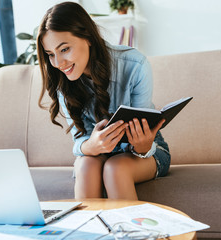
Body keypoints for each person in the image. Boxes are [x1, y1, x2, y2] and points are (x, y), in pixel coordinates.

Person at [36, 2, 170, 200]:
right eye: (50, 55)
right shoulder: (63, 81)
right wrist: (91, 146)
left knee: (115, 169)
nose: (58, 63)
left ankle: (131, 232)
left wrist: (142, 144)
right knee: (85, 165)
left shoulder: (134, 66)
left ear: (88, 38)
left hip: (146, 152)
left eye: (64, 49)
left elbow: (144, 135)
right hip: (97, 155)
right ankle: (88, 231)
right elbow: (79, 140)